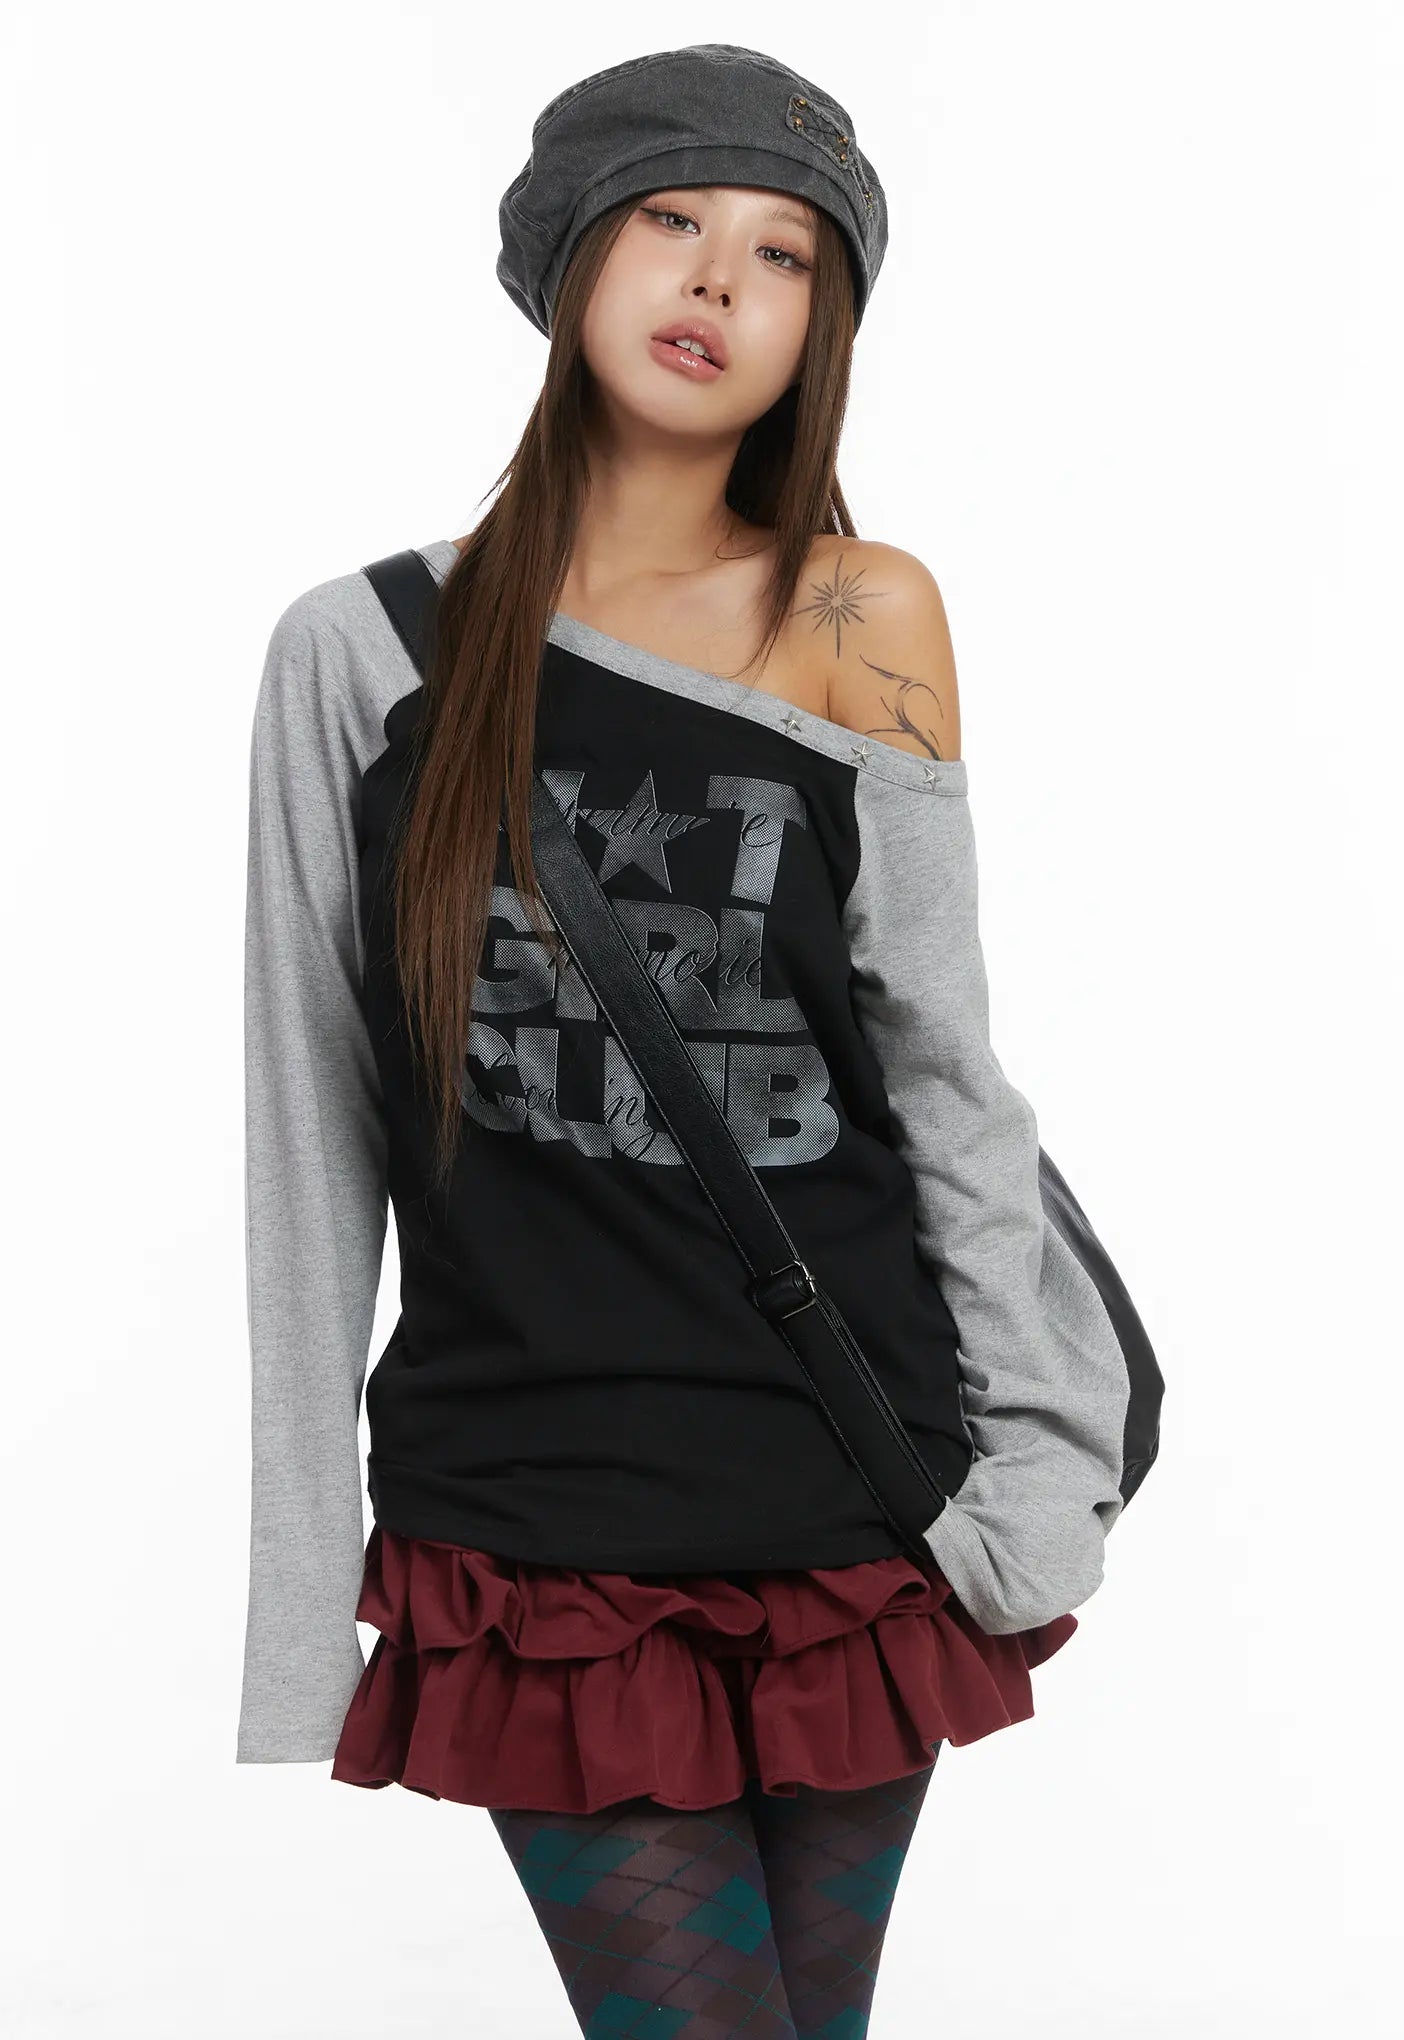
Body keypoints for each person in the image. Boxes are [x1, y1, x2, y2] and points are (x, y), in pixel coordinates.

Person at [237, 43, 1135, 2039]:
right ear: (573, 256)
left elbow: (946, 1082)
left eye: (784, 256)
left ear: (824, 327)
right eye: (672, 220)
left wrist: (1032, 1485)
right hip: (537, 1515)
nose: (721, 280)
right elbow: (310, 1135)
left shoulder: (864, 617)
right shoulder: (362, 654)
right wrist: (301, 1607)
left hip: (853, 1492)